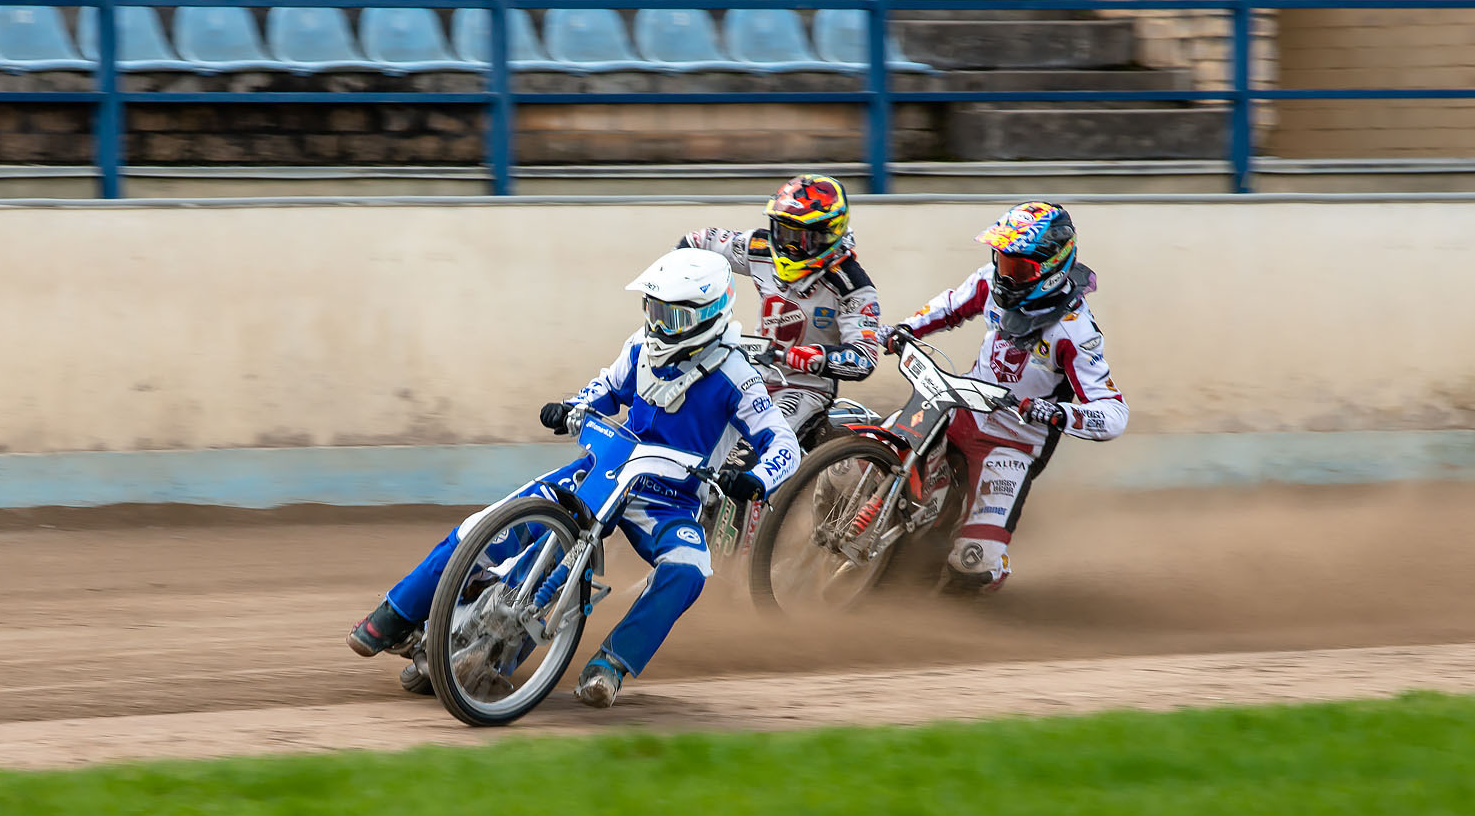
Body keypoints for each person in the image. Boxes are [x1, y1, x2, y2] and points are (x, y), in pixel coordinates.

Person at [348, 247, 801, 708]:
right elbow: (606, 387)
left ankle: (612, 664)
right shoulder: (641, 348)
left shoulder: (738, 376)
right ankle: (392, 614)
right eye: (654, 311)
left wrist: (758, 479)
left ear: (709, 316)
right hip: (601, 471)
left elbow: (785, 444)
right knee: (481, 527)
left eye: (673, 318)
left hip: (668, 500)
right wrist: (573, 407)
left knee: (688, 571)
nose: (660, 326)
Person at [882, 202, 1128, 594]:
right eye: (1002, 260)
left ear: (1051, 267)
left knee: (971, 563)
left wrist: (1056, 413)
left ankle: (981, 586)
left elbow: (1114, 414)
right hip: (959, 411)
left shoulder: (1076, 331)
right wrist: (906, 328)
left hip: (1013, 445)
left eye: (1019, 268)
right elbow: (949, 305)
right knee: (863, 463)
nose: (1005, 275)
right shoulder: (990, 280)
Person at [675, 173, 883, 443]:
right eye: (783, 232)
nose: (789, 246)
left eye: (801, 237)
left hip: (804, 388)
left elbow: (864, 358)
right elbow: (697, 241)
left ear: (828, 234)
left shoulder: (853, 287)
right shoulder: (759, 247)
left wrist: (798, 357)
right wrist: (683, 288)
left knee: (757, 448)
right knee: (687, 423)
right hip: (751, 371)